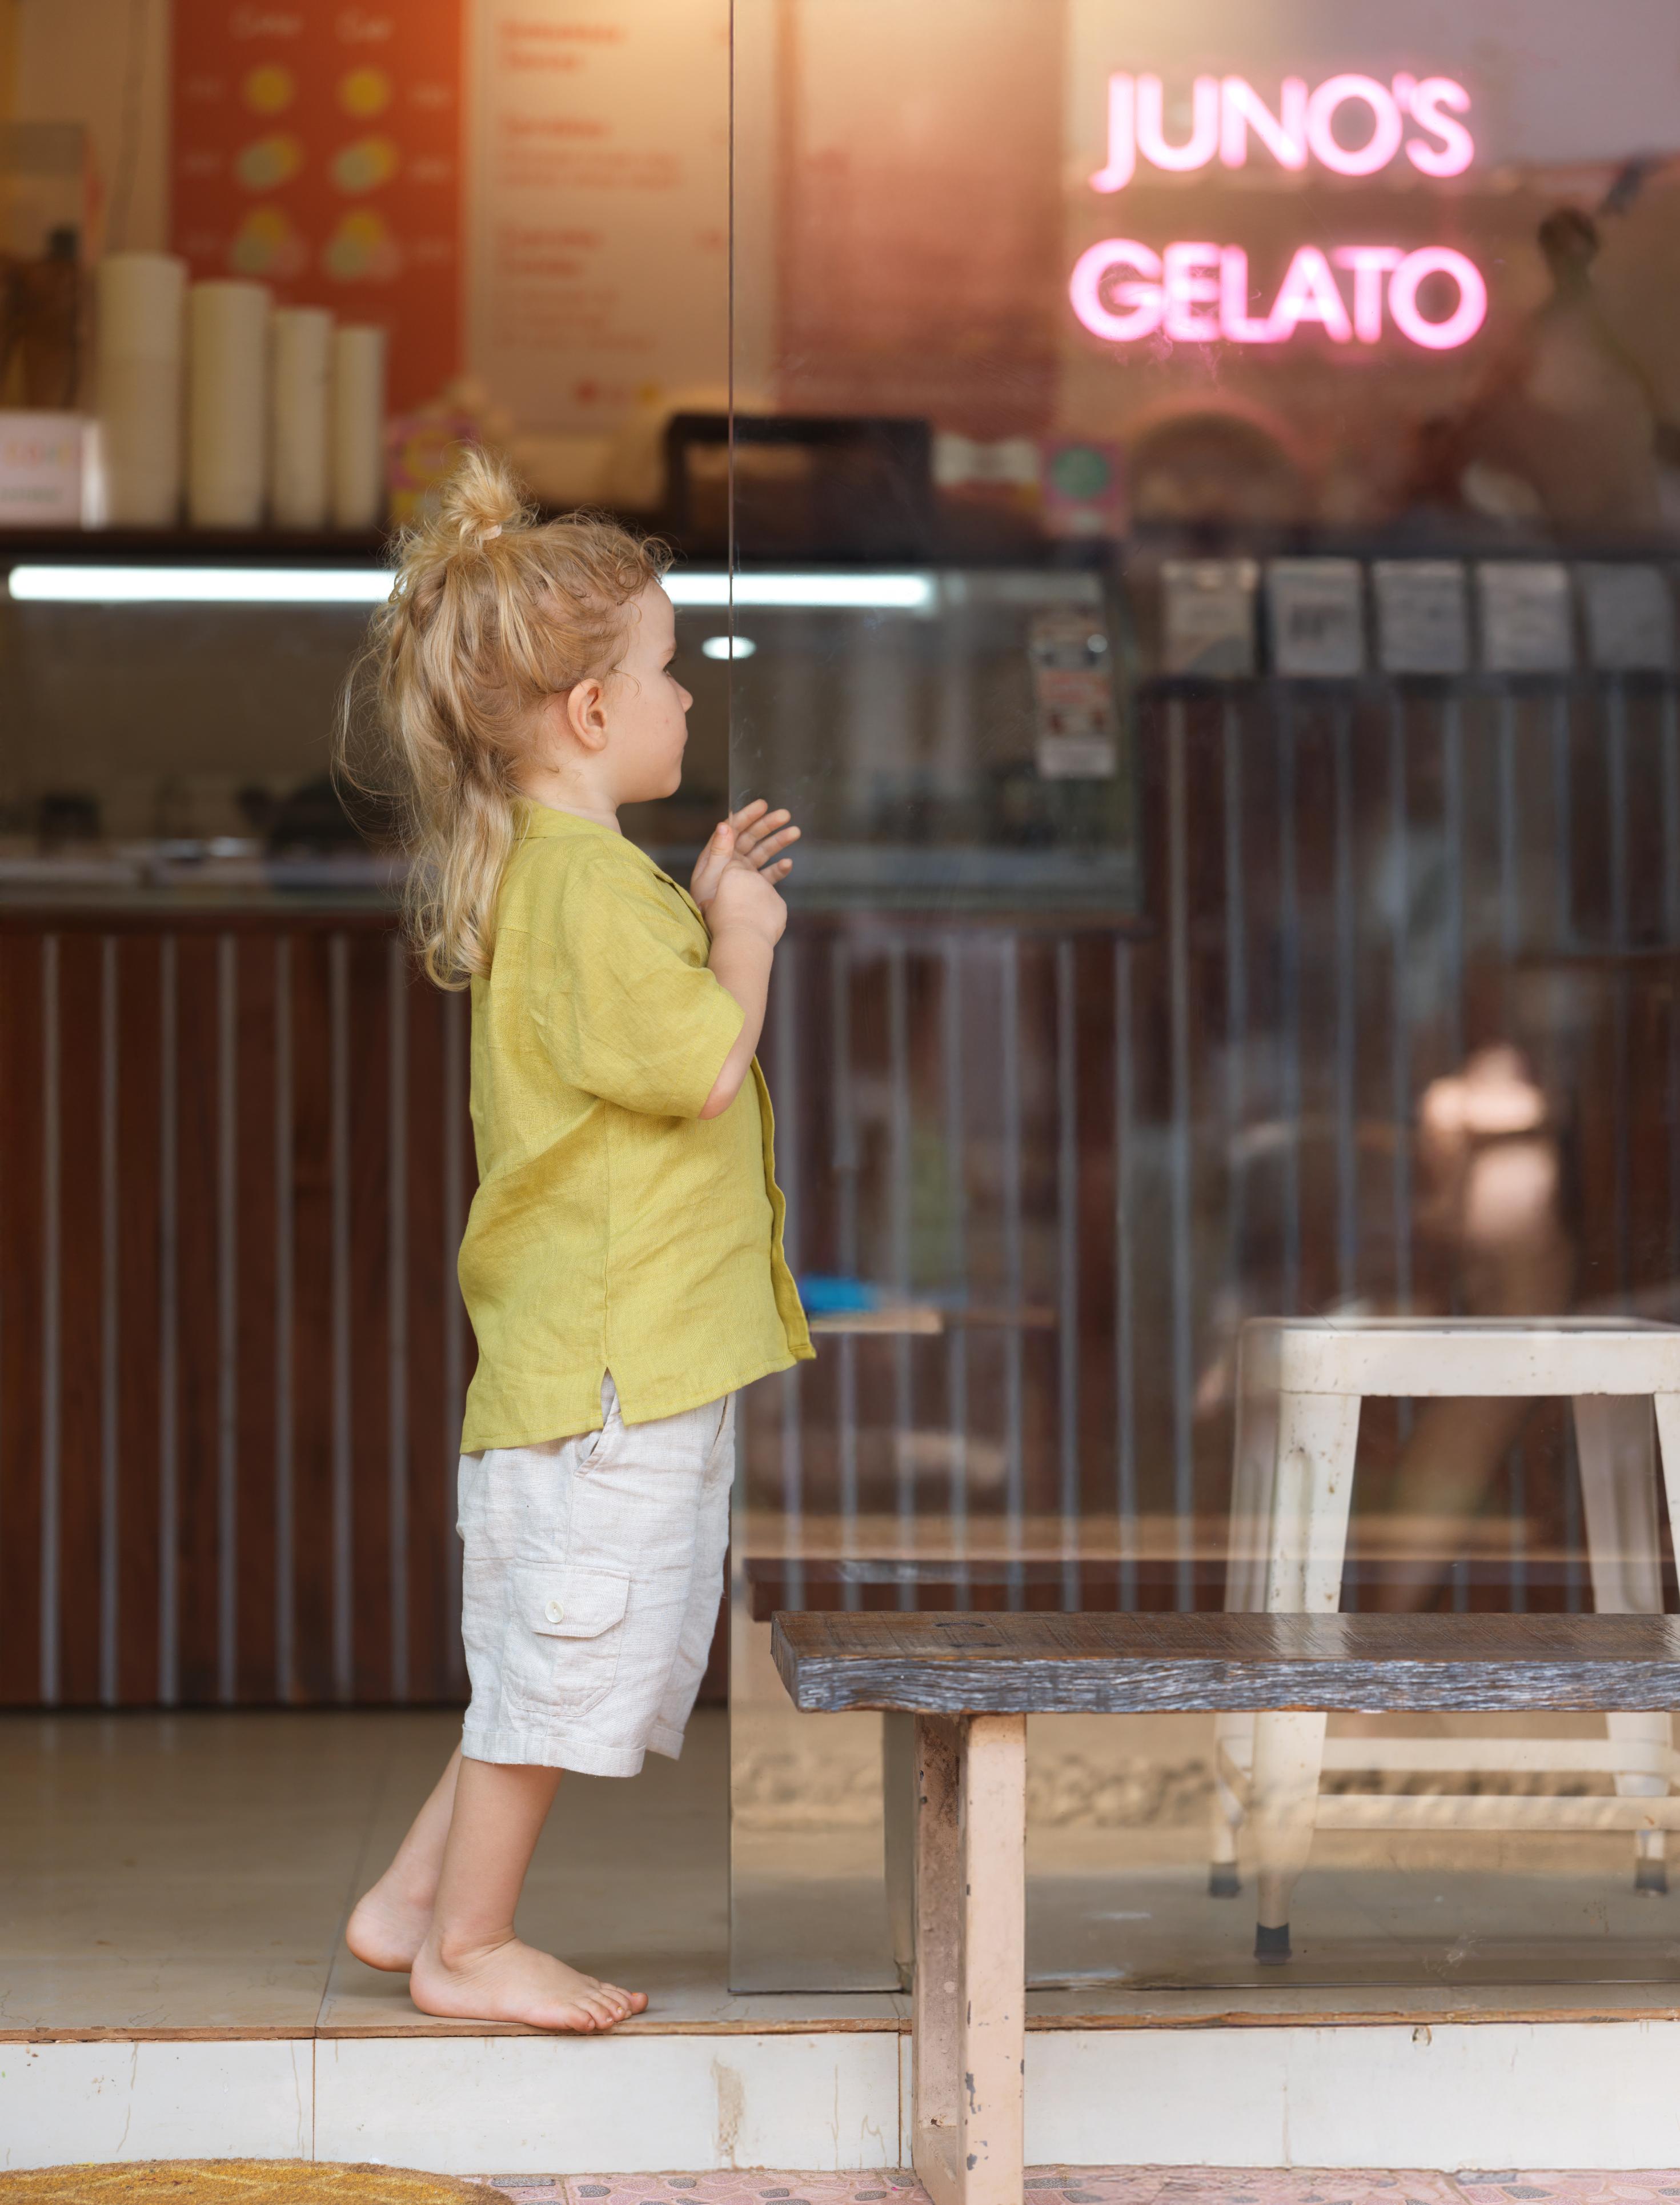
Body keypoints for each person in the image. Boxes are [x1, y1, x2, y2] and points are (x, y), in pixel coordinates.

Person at [336, 449, 812, 2030]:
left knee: (550, 1652)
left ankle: (414, 1900)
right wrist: (744, 935)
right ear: (593, 713)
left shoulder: (575, 881)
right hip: (610, 1374)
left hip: (599, 1363)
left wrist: (698, 906)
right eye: (670, 671)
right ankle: (468, 1947)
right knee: (560, 1662)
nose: (687, 697)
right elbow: (703, 1065)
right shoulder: (592, 894)